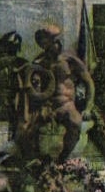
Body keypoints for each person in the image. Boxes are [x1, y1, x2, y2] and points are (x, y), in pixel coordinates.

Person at [12, 25, 94, 161]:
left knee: (75, 123)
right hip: (46, 106)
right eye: (53, 41)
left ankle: (63, 159)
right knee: (26, 129)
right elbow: (31, 83)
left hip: (66, 105)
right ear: (45, 45)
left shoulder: (70, 60)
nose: (58, 44)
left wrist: (88, 107)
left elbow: (89, 82)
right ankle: (37, 162)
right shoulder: (39, 62)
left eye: (58, 40)